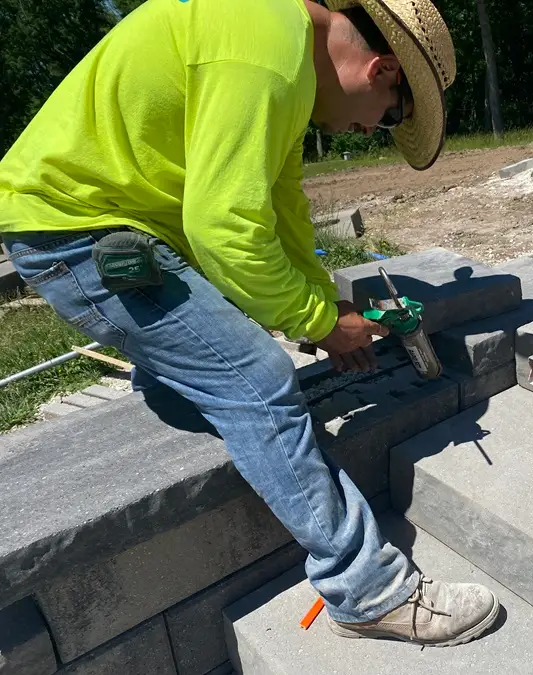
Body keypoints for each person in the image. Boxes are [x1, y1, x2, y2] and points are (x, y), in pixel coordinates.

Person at [0, 0, 500, 647]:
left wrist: (330, 311)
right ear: (382, 73)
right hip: (77, 233)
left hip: (110, 223)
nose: (365, 130)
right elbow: (224, 229)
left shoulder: (278, 46)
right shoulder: (264, 49)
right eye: (387, 122)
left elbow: (280, 206)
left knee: (231, 352)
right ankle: (367, 590)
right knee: (260, 378)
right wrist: (317, 321)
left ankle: (182, 383)